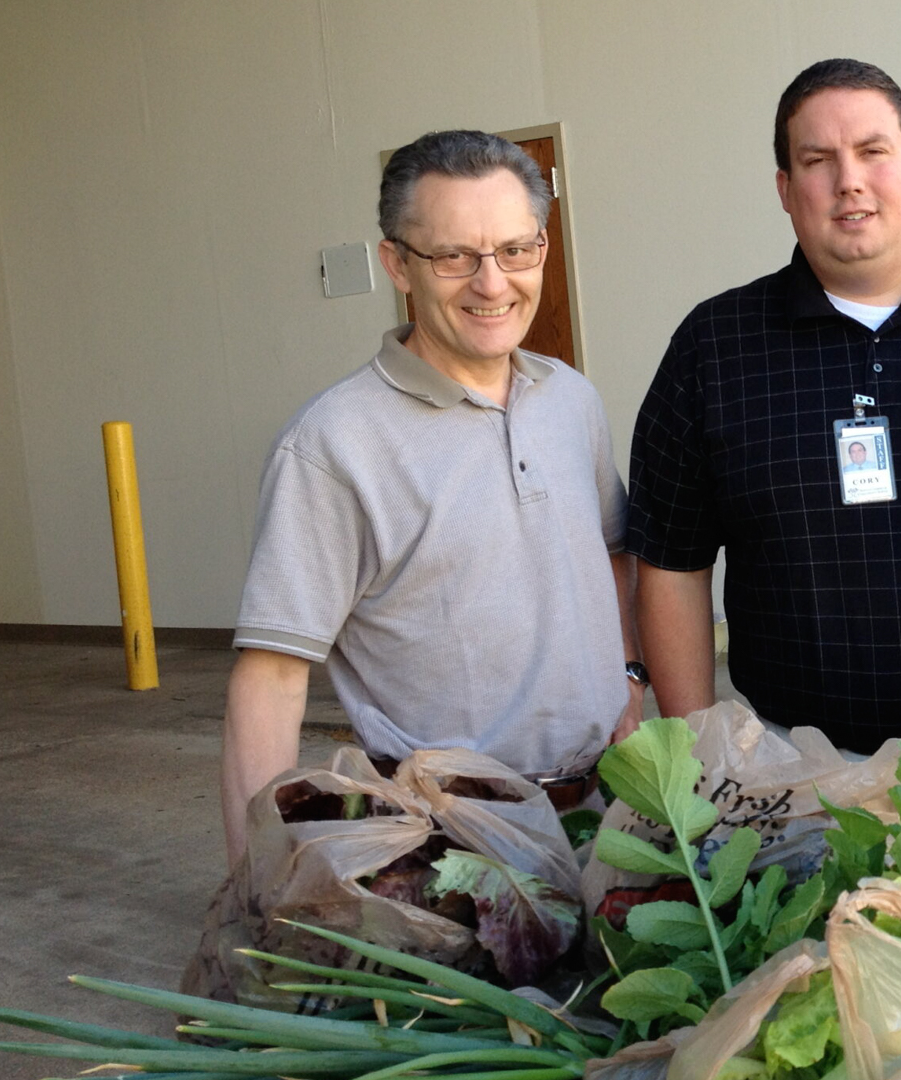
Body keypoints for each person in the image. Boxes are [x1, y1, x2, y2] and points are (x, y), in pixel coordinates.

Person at [627, 59, 901, 753]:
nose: (850, 181)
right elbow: (672, 563)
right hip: (793, 763)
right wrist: (697, 755)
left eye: (873, 151)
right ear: (784, 188)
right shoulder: (713, 346)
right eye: (818, 160)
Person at [221, 130, 640, 868]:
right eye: (454, 256)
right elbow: (272, 679)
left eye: (516, 249)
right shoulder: (332, 445)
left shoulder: (571, 399)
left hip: (606, 816)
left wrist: (631, 680)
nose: (492, 282)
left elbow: (611, 554)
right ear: (397, 265)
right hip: (445, 847)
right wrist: (260, 885)